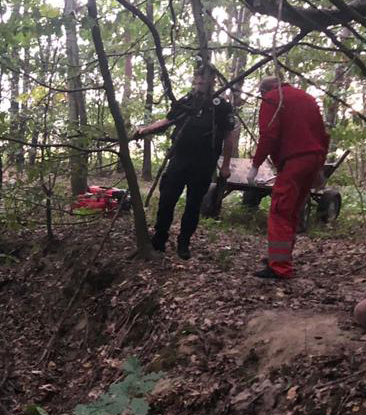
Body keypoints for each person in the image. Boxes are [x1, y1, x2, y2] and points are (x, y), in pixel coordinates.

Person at [137, 64, 238, 260]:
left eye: (204, 79)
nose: (200, 82)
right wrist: (145, 129)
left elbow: (228, 137)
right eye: (197, 79)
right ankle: (160, 238)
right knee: (167, 199)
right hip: (180, 159)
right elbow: (167, 121)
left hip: (204, 162)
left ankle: (184, 242)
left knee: (193, 204)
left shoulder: (221, 106)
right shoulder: (186, 101)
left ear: (212, 80)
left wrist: (225, 165)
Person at [247, 76, 329, 279]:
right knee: (291, 210)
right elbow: (322, 134)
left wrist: (255, 165)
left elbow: (269, 135)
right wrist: (319, 167)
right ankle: (281, 257)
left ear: (264, 90)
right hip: (313, 159)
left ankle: (280, 267)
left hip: (294, 161)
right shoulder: (307, 98)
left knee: (280, 210)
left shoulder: (272, 98)